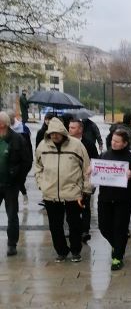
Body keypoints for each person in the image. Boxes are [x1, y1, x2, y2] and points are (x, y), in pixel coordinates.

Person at [34, 117, 92, 262]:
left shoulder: (77, 145)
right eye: (52, 133)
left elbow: (87, 169)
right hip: (51, 193)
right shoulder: (43, 146)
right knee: (55, 225)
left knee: (74, 224)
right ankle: (61, 251)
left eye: (57, 133)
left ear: (63, 132)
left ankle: (75, 250)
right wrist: (42, 184)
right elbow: (37, 167)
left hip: (72, 192)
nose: (54, 136)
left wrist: (86, 189)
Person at [97, 128, 131, 270]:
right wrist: (91, 171)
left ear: (125, 143)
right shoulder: (104, 156)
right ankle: (116, 245)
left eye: (117, 141)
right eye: (113, 140)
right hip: (105, 197)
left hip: (125, 199)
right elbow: (97, 174)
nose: (114, 143)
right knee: (104, 227)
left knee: (120, 227)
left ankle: (117, 257)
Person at [0, 112, 32, 256]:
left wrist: (19, 179)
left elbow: (27, 161)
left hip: (11, 184)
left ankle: (12, 243)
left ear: (3, 124)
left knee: (12, 214)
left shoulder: (17, 139)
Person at [68, 118, 99, 243]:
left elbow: (96, 161)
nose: (70, 130)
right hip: (70, 181)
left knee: (85, 206)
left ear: (80, 129)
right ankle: (72, 229)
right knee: (70, 207)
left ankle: (85, 230)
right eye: (69, 127)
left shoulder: (89, 144)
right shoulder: (66, 143)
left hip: (85, 180)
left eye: (73, 127)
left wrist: (92, 180)